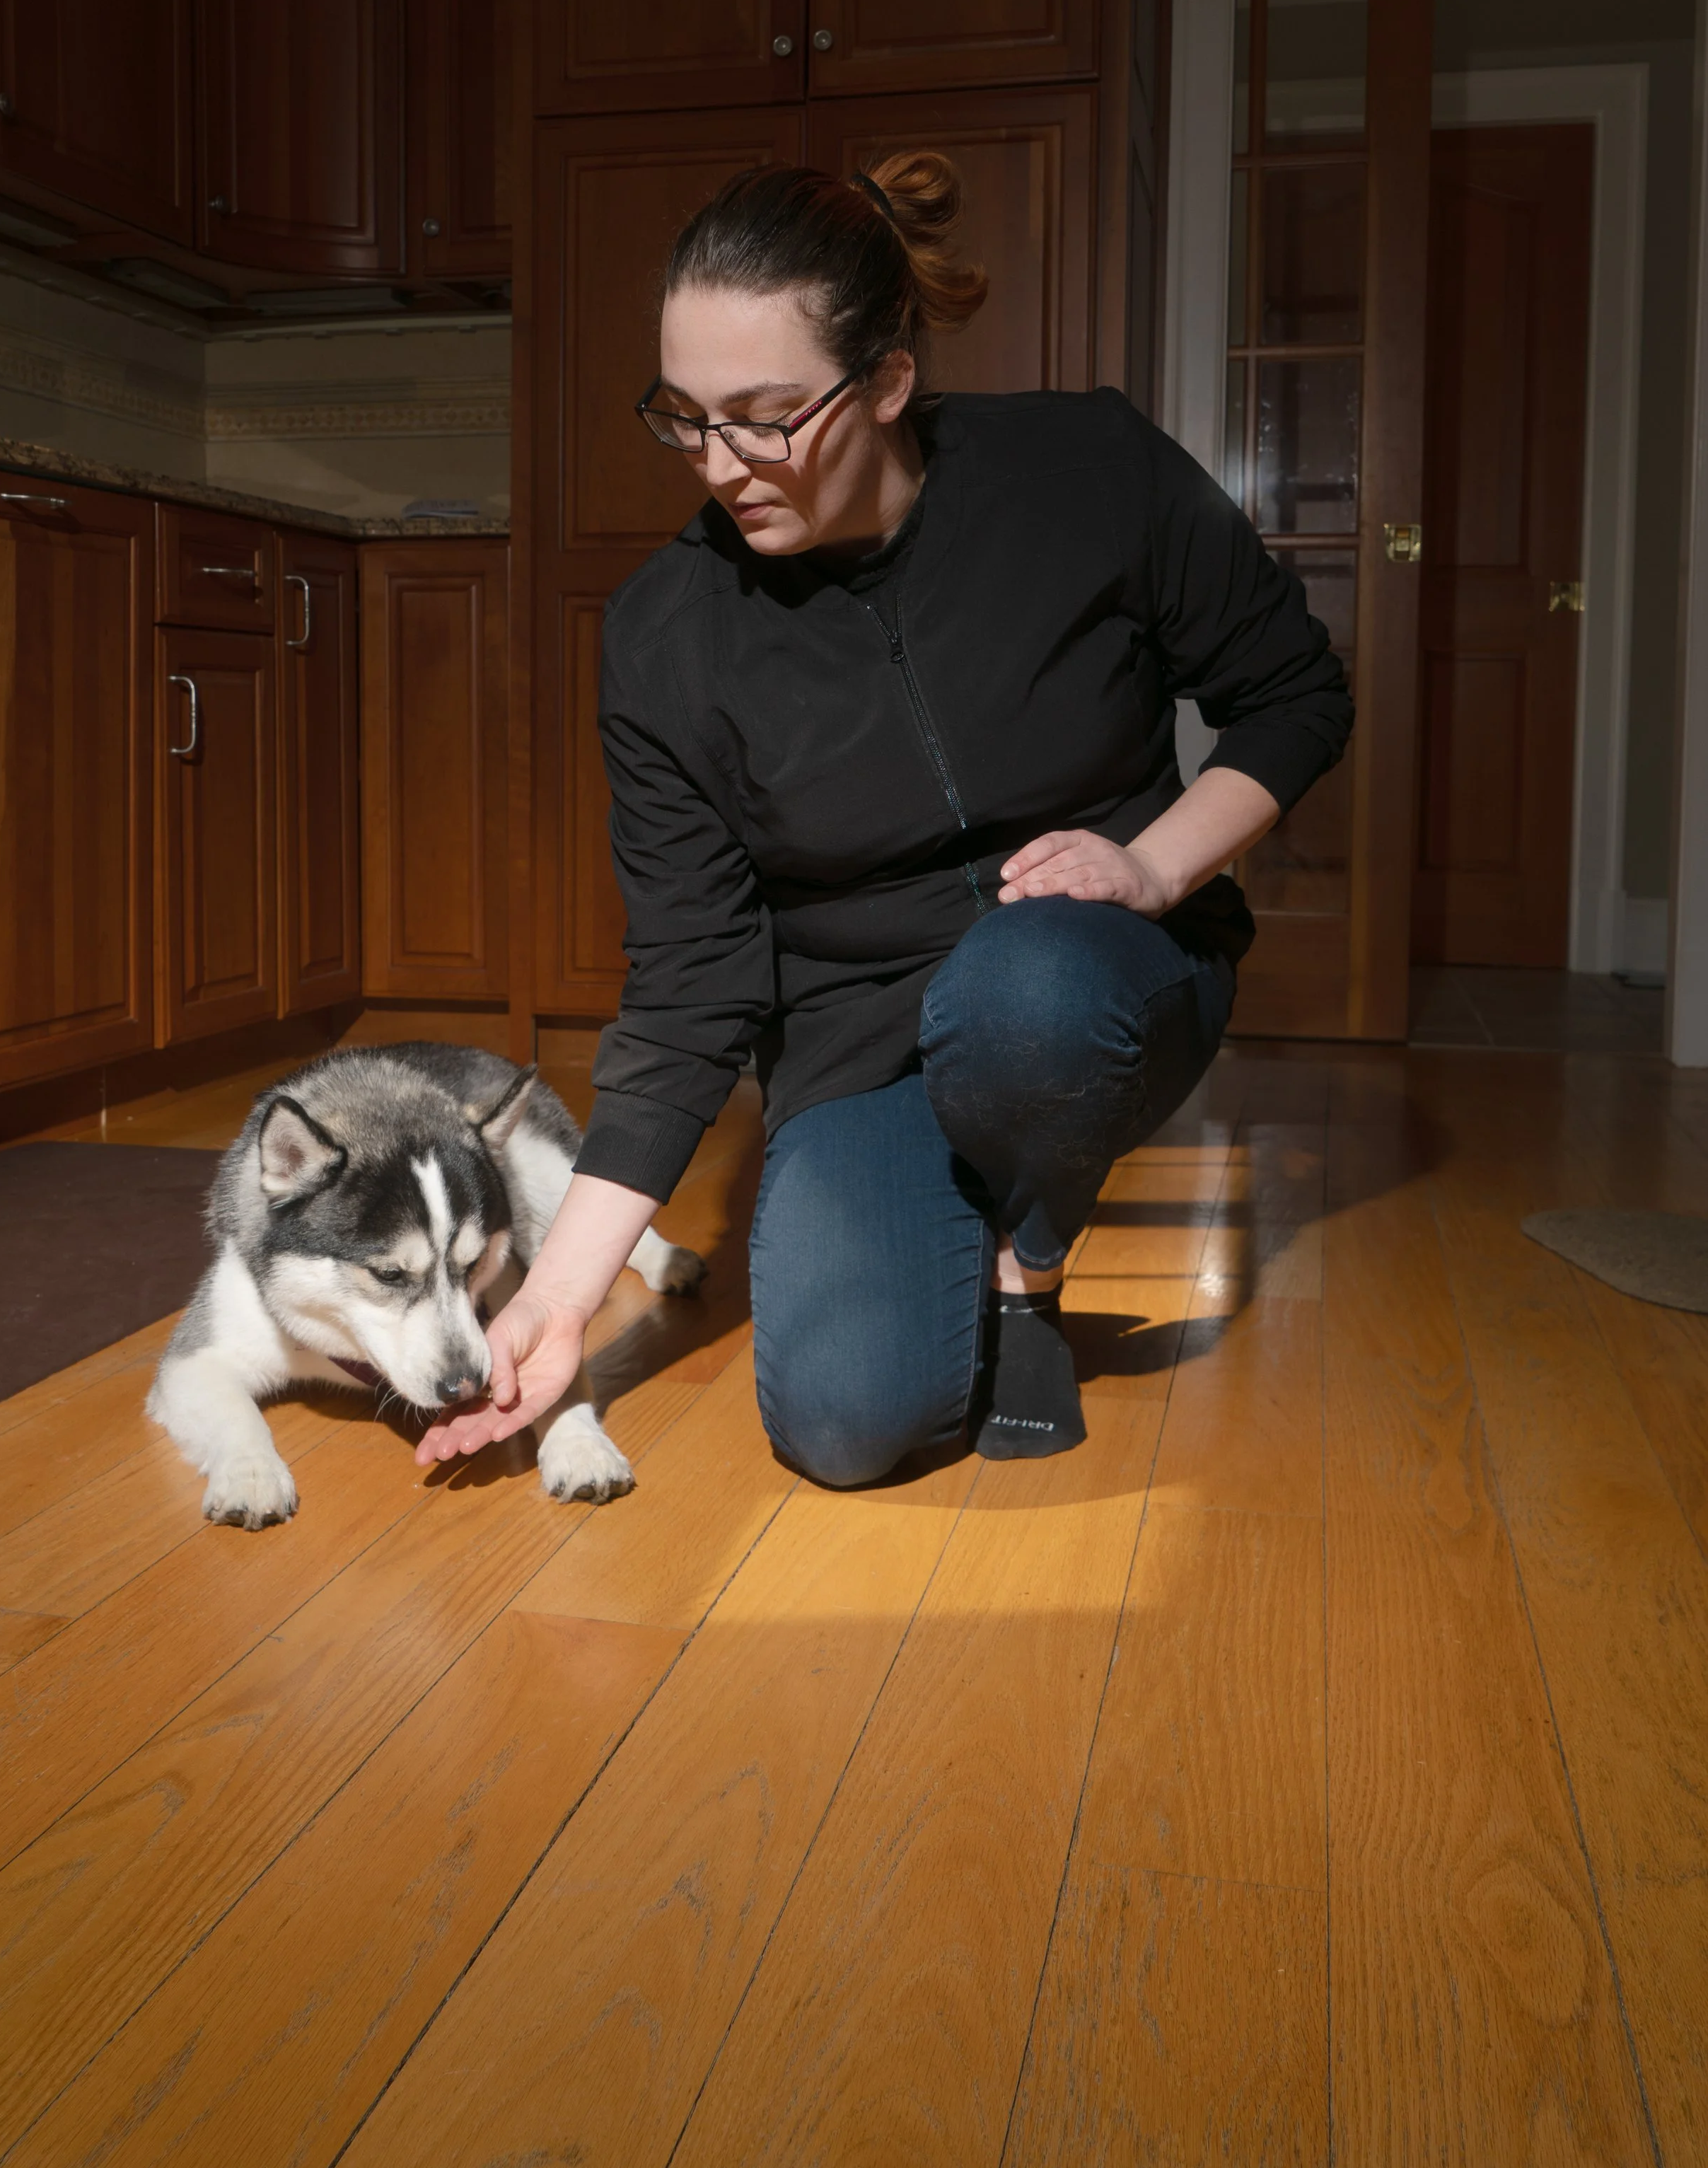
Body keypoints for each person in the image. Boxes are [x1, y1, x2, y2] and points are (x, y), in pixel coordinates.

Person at [417, 155, 1352, 1488]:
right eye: (685, 418)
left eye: (767, 416)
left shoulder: (1087, 470)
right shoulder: (667, 634)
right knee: (849, 1426)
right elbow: (691, 989)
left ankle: (1031, 1260)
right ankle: (952, 1215)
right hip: (861, 1037)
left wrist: (1151, 866)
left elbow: (1294, 696)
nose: (723, 465)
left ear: (892, 382)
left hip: (1094, 973)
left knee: (1025, 996)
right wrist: (562, 1298)